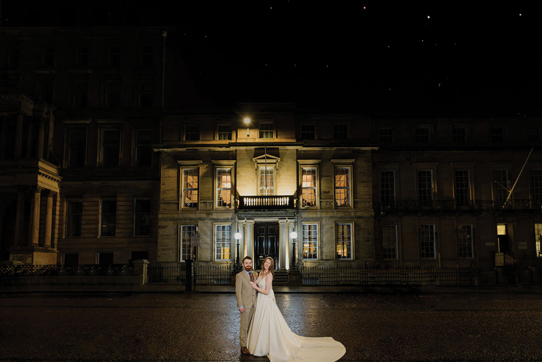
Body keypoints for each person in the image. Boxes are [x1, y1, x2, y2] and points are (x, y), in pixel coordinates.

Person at [247, 256, 346, 362]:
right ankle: (259, 344)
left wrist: (255, 287)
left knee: (267, 323)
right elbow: (256, 282)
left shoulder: (269, 275)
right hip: (260, 301)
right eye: (265, 262)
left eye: (269, 263)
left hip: (266, 301)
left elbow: (266, 292)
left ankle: (265, 347)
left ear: (271, 265)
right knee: (260, 322)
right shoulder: (261, 274)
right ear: (263, 263)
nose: (266, 264)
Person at [235, 256, 258, 355]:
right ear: (243, 265)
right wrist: (240, 305)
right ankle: (243, 345)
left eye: (250, 263)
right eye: (246, 263)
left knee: (252, 325)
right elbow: (238, 291)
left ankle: (250, 343)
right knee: (244, 326)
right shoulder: (239, 276)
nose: (248, 264)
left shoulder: (254, 274)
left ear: (252, 264)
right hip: (245, 304)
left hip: (255, 304)